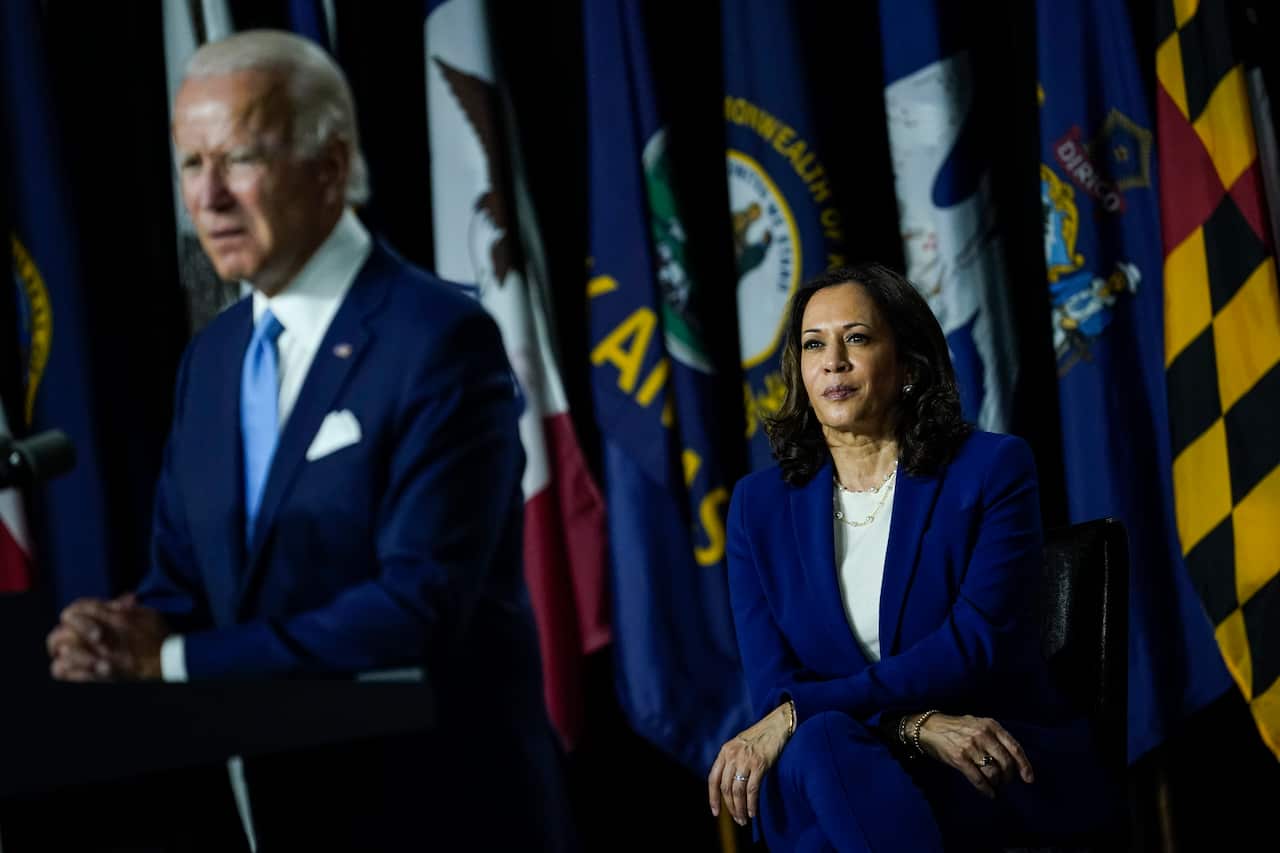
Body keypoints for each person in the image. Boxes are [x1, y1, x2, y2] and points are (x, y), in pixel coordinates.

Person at [45, 29, 571, 852]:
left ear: (330, 166)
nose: (209, 196)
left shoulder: (437, 338)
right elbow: (187, 584)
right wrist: (120, 633)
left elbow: (416, 604)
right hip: (284, 810)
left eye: (241, 157)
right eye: (191, 163)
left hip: (443, 815)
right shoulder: (210, 362)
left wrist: (175, 661)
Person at [707, 264, 1119, 851]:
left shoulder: (990, 471)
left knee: (824, 816)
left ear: (906, 365)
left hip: (976, 758)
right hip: (843, 755)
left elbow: (972, 647)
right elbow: (776, 691)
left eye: (857, 338)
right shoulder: (758, 508)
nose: (834, 362)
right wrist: (911, 728)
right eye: (813, 344)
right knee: (823, 749)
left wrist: (807, 713)